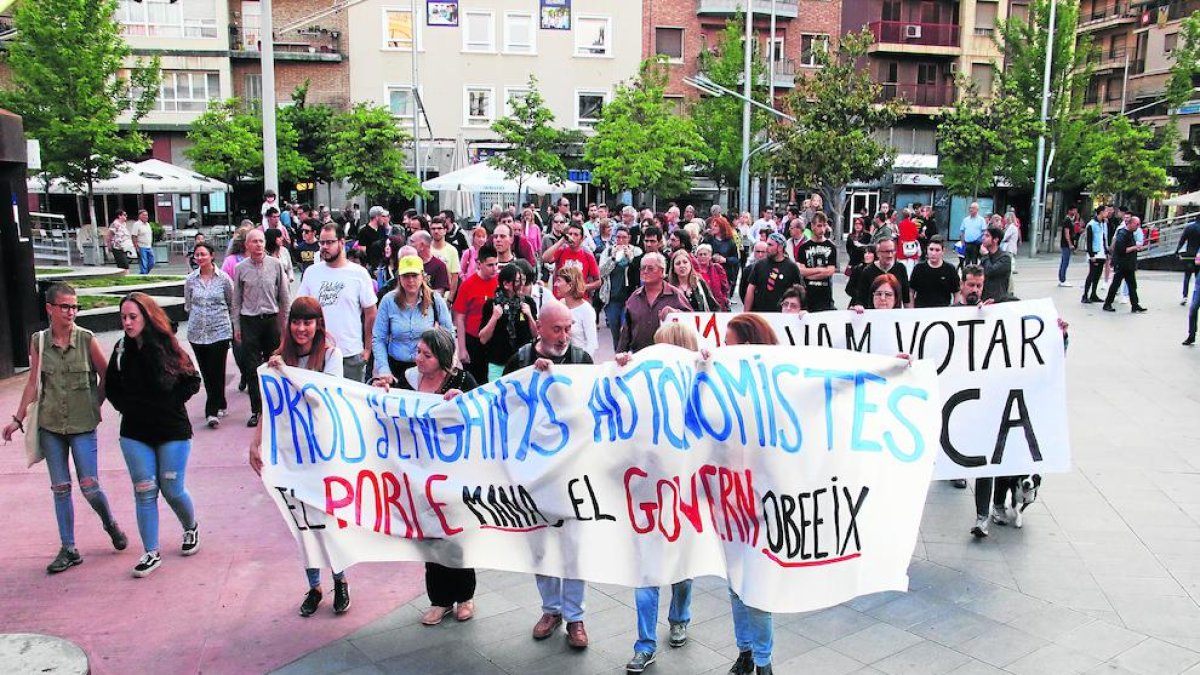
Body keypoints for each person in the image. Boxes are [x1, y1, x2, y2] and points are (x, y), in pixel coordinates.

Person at [2, 283, 127, 573]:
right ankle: (69, 548)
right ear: (50, 309)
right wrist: (18, 419)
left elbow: (107, 375)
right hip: (50, 425)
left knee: (89, 486)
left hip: (83, 424)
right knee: (60, 488)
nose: (71, 312)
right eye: (65, 307)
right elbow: (32, 382)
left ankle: (110, 523)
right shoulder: (39, 342)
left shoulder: (86, 339)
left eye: (75, 306)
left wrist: (96, 404)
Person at [248, 296, 350, 616]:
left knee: (326, 520)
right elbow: (271, 405)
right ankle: (313, 586)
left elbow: (323, 397)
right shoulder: (280, 358)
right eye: (296, 321)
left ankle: (340, 580)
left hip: (323, 453)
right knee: (300, 522)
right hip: (292, 455)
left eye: (308, 322)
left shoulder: (332, 356)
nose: (301, 328)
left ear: (318, 324)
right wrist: (256, 442)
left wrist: (289, 374)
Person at [503, 300, 594, 649]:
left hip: (571, 476)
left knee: (573, 550)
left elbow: (597, 404)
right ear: (539, 328)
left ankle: (575, 618)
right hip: (533, 476)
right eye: (557, 329)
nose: (564, 335)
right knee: (540, 547)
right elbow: (500, 402)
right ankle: (551, 609)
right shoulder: (522, 360)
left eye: (568, 327)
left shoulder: (582, 361)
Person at [617, 321, 701, 674]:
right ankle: (645, 643)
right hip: (649, 487)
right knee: (647, 568)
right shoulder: (643, 380)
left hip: (686, 488)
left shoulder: (703, 380)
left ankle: (679, 617)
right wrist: (618, 371)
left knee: (681, 563)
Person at [385, 328, 480, 625]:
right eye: (418, 353)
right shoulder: (410, 380)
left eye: (427, 355)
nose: (419, 359)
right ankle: (439, 599)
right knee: (430, 535)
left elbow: (482, 414)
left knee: (456, 534)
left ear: (441, 357)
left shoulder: (463, 381)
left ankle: (465, 596)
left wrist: (462, 402)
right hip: (419, 475)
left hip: (453, 474)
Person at [106, 292, 201, 578]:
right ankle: (151, 552)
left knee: (172, 488)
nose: (127, 322)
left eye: (133, 316)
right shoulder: (122, 349)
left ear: (146, 317)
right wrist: (129, 407)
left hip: (171, 430)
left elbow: (192, 380)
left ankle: (190, 527)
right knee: (145, 491)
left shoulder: (167, 345)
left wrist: (169, 404)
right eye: (123, 317)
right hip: (135, 432)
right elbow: (111, 387)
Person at [721, 315, 780, 675]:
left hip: (763, 498)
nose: (724, 349)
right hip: (728, 495)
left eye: (729, 343)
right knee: (735, 582)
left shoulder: (776, 380)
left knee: (755, 584)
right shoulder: (722, 380)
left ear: (745, 345)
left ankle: (763, 661)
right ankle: (746, 651)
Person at [297, 223, 378, 382]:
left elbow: (371, 313)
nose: (324, 247)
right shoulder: (312, 273)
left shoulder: (359, 274)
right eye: (322, 242)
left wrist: (368, 348)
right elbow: (300, 308)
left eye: (329, 242)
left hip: (351, 354)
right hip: (318, 352)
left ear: (342, 242)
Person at [231, 229, 291, 427]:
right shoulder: (240, 268)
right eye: (254, 241)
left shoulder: (276, 265)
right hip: (249, 322)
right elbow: (236, 300)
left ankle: (276, 408)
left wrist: (286, 326)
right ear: (247, 245)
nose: (258, 245)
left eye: (261, 241)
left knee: (274, 364)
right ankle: (256, 410)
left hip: (271, 321)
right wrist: (237, 326)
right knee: (252, 368)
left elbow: (284, 297)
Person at [371, 254, 454, 386]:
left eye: (414, 276)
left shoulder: (435, 300)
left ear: (423, 276)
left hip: (427, 370)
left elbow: (448, 334)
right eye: (406, 276)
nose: (410, 281)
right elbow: (378, 337)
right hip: (395, 368)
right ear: (399, 278)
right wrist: (384, 369)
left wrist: (447, 365)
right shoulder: (388, 301)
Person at [184, 243, 235, 428]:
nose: (200, 258)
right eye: (197, 255)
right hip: (197, 332)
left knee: (216, 369)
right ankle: (220, 401)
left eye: (203, 254)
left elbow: (231, 303)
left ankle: (211, 411)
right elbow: (188, 304)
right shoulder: (190, 280)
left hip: (219, 331)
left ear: (212, 256)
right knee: (206, 371)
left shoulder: (224, 279)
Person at [617, 252, 693, 353]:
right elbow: (626, 332)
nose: (645, 271)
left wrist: (676, 314)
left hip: (669, 357)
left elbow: (692, 323)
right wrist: (620, 354)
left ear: (662, 271)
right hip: (640, 358)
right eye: (643, 268)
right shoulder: (634, 298)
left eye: (650, 268)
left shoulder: (675, 295)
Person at [477, 263, 538, 381]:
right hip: (498, 363)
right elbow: (483, 338)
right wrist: (494, 318)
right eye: (517, 282)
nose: (521, 285)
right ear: (506, 284)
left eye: (523, 281)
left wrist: (529, 315)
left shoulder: (528, 302)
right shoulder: (492, 304)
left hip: (523, 363)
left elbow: (536, 334)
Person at [453, 244, 500, 384]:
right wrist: (462, 348)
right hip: (473, 340)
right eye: (490, 265)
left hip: (493, 340)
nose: (494, 269)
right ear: (479, 264)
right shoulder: (468, 285)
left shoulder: (499, 282)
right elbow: (459, 318)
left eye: (496, 264)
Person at [598, 226, 641, 348]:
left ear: (629, 238)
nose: (621, 240)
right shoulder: (607, 252)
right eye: (618, 237)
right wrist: (613, 258)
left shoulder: (636, 251)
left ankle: (627, 355)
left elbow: (638, 270)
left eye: (624, 237)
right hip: (612, 298)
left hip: (629, 297)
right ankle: (617, 356)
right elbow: (601, 272)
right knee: (615, 332)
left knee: (626, 330)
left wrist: (630, 257)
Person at [744, 233, 804, 313]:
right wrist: (746, 312)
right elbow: (751, 289)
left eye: (770, 245)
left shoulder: (792, 267)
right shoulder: (759, 265)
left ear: (780, 247)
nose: (767, 248)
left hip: (781, 314)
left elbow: (798, 293)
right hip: (761, 313)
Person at [1102, 215, 1148, 313]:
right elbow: (1122, 250)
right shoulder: (1122, 234)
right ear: (1130, 224)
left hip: (1128, 264)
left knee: (1132, 285)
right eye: (1136, 224)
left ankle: (1135, 305)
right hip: (1122, 264)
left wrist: (1136, 248)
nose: (1138, 227)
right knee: (1115, 284)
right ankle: (1107, 303)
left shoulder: (1130, 233)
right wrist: (1135, 247)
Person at [543, 221, 601, 296]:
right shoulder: (562, 250)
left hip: (578, 299)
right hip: (560, 298)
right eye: (570, 234)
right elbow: (545, 258)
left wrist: (584, 287)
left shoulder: (588, 255)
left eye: (576, 235)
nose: (572, 237)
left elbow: (598, 282)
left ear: (582, 238)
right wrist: (562, 240)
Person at [552, 266, 598, 357]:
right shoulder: (559, 305)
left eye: (559, 281)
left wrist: (582, 362)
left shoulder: (586, 311)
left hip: (578, 363)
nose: (555, 285)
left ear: (570, 285)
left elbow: (592, 344)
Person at [853, 239, 911, 309]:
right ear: (878, 253)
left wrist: (909, 314)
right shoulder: (867, 271)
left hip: (895, 314)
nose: (890, 255)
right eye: (886, 252)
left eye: (892, 251)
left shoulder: (901, 268)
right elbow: (861, 298)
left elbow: (906, 296)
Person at [796, 213, 837, 312]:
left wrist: (809, 273)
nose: (822, 229)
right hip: (808, 294)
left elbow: (830, 271)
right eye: (819, 225)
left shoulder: (831, 246)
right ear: (812, 226)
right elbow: (801, 271)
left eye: (824, 225)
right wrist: (820, 270)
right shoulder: (803, 247)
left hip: (825, 295)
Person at [909, 237, 959, 308]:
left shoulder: (950, 269)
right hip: (921, 311)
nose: (933, 253)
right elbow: (911, 292)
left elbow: (956, 293)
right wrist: (911, 311)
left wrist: (954, 311)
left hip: (942, 311)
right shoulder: (918, 268)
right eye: (931, 249)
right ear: (927, 250)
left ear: (943, 251)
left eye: (937, 250)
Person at [669, 248, 719, 313]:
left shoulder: (700, 283)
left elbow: (713, 306)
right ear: (673, 268)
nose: (682, 265)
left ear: (690, 264)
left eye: (685, 262)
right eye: (678, 263)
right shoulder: (668, 288)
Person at [1081, 205, 1111, 303]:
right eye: (1106, 211)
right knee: (1092, 274)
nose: (1108, 213)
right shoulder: (1091, 224)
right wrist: (1091, 255)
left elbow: (1104, 238)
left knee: (1098, 274)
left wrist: (1106, 251)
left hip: (1102, 252)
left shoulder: (1102, 223)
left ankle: (1093, 293)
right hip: (1095, 252)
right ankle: (1085, 295)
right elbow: (1089, 241)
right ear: (1101, 212)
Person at [428, 216, 462, 301]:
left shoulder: (452, 250)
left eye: (439, 228)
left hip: (445, 297)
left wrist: (450, 299)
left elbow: (454, 277)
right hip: (427, 295)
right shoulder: (426, 249)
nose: (436, 231)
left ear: (445, 230)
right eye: (433, 228)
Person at [693, 244, 730, 310]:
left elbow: (725, 287)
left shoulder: (718, 268)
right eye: (700, 254)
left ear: (710, 256)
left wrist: (724, 300)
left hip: (718, 304)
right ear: (697, 257)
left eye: (705, 254)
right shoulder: (693, 271)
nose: (703, 256)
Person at [980, 226, 1013, 302]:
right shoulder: (986, 257)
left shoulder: (1005, 258)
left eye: (987, 236)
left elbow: (990, 271)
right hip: (984, 298)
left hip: (997, 300)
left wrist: (985, 255)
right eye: (984, 235)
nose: (983, 238)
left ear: (995, 240)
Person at [1174, 215, 1200, 305]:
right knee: (1198, 277)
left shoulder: (1189, 227)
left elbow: (1182, 240)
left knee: (1187, 277)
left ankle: (1185, 296)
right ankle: (1197, 297)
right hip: (1198, 256)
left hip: (1189, 254)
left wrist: (1177, 250)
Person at [739, 240, 769, 306]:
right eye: (758, 252)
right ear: (754, 253)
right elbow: (742, 291)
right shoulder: (747, 270)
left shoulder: (773, 269)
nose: (760, 255)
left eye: (763, 252)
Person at [129, 209, 155, 274]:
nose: (146, 217)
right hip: (141, 247)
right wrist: (136, 247)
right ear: (140, 216)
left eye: (147, 215)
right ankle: (144, 275)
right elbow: (133, 236)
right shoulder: (137, 224)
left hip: (149, 246)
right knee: (144, 264)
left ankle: (143, 274)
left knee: (152, 262)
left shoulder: (148, 224)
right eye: (144, 215)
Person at [1058, 208, 1078, 287]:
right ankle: (1062, 280)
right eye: (1074, 210)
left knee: (1064, 262)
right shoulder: (1067, 220)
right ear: (1070, 211)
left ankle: (1061, 279)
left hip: (1066, 244)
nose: (1075, 212)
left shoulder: (1070, 220)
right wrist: (1070, 244)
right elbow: (1067, 234)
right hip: (1066, 245)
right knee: (1065, 262)